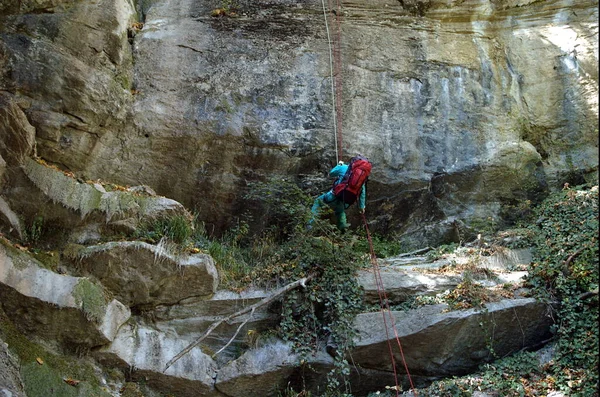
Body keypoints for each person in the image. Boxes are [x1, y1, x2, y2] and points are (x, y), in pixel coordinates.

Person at [310, 160, 366, 231]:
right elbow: (362, 193)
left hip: (332, 197)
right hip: (344, 202)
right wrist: (361, 207)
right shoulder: (360, 179)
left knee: (318, 201)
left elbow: (331, 173)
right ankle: (342, 230)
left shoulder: (344, 167)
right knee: (340, 212)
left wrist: (339, 165)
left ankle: (310, 227)